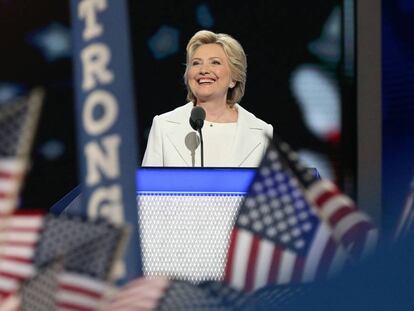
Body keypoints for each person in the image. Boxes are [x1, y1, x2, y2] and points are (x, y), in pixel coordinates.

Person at [142, 30, 273, 167]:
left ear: (233, 79)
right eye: (196, 63)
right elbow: (148, 187)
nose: (203, 70)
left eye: (215, 62)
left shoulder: (262, 132)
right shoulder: (163, 126)